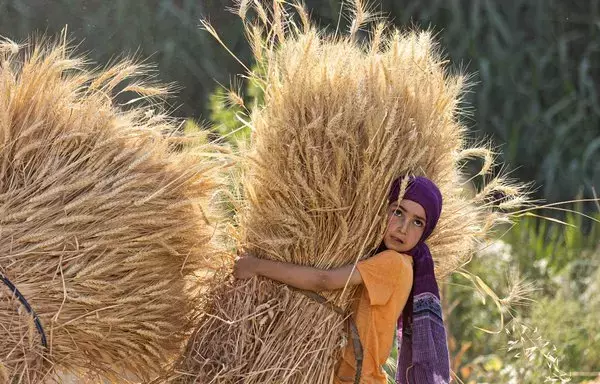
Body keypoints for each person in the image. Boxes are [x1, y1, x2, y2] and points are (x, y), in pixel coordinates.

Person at [234, 176, 450, 384]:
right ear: (384, 211)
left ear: (426, 232)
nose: (403, 227)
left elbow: (324, 280)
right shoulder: (402, 264)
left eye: (417, 222)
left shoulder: (392, 263)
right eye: (398, 212)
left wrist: (257, 266)